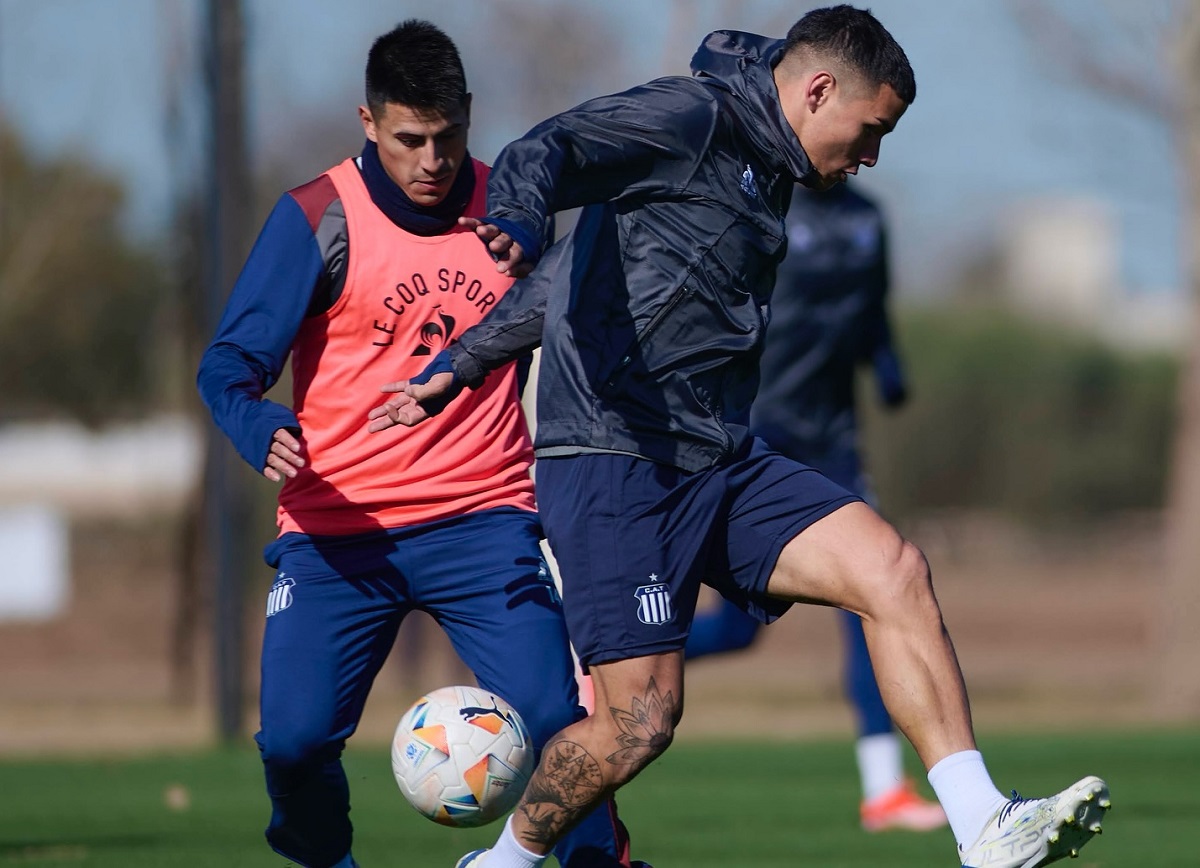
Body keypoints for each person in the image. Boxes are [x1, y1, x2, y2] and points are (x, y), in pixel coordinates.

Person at [371, 7, 1110, 868]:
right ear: (819, 90)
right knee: (640, 723)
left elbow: (580, 281)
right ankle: (504, 862)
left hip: (718, 454)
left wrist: (463, 360)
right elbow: (552, 146)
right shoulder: (694, 118)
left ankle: (982, 825)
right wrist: (522, 228)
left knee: (892, 570)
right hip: (617, 457)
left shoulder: (773, 160)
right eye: (871, 132)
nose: (871, 156)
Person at [196, 20, 647, 868]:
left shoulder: (513, 208)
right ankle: (327, 859)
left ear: (469, 117)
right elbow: (227, 366)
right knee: (291, 745)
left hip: (484, 521)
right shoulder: (317, 217)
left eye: (448, 138)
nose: (431, 160)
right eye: (409, 140)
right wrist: (259, 425)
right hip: (337, 533)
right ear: (368, 122)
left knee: (559, 724)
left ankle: (600, 863)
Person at [683, 180, 947, 833]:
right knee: (738, 633)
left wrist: (888, 364)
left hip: (834, 440)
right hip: (762, 433)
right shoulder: (766, 210)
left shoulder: (867, 218)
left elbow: (873, 311)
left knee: (878, 594)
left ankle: (884, 790)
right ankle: (600, 656)